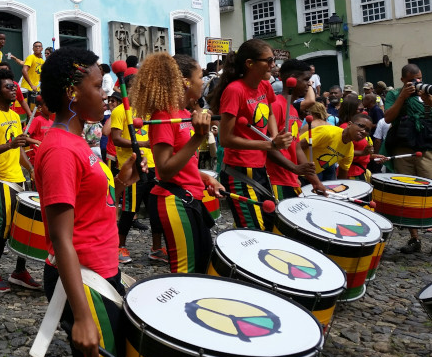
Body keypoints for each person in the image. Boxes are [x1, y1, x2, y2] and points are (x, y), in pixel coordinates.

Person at [34, 46, 143, 357]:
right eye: (97, 86)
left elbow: (89, 205)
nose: (105, 93)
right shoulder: (60, 150)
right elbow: (60, 238)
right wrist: (82, 316)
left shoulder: (79, 141)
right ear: (72, 93)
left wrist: (122, 182)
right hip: (83, 282)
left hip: (101, 272)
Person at [131, 52, 224, 273]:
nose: (203, 82)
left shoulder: (184, 113)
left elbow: (185, 163)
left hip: (189, 197)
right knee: (186, 273)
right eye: (201, 76)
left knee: (203, 267)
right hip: (174, 201)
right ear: (185, 82)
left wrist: (206, 178)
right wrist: (198, 138)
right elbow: (163, 169)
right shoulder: (164, 116)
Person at [208, 39, 292, 230]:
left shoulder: (265, 86)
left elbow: (268, 111)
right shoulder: (234, 91)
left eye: (274, 60)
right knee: (254, 230)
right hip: (239, 171)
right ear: (250, 63)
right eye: (269, 60)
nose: (273, 65)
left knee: (271, 223)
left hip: (259, 166)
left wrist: (275, 135)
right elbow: (226, 139)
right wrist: (270, 144)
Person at [381, 64, 432, 257]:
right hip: (404, 149)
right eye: (412, 80)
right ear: (402, 81)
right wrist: (402, 97)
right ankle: (414, 238)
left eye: (419, 78)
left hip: (428, 149)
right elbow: (388, 118)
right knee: (408, 196)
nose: (417, 82)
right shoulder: (394, 95)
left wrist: (431, 102)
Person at [0, 67, 40, 293]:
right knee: (2, 226)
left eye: (14, 86)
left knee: (22, 226)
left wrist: (30, 167)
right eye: (8, 87)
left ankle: (19, 271)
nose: (14, 89)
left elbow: (19, 146)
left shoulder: (14, 116)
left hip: (17, 177)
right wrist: (9, 145)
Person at [109, 72, 158, 263]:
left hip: (152, 166)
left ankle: (156, 248)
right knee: (129, 211)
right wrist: (141, 144)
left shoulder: (147, 110)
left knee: (155, 210)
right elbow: (116, 138)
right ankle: (119, 247)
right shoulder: (119, 111)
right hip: (131, 169)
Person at [264, 59, 325, 199]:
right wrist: (294, 168)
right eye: (306, 80)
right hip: (275, 180)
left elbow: (296, 148)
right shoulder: (276, 105)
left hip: (290, 180)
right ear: (291, 79)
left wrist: (315, 182)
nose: (309, 84)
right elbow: (267, 146)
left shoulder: (293, 109)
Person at [300, 114, 372, 181]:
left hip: (309, 177)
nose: (363, 131)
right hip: (294, 172)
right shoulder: (327, 132)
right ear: (349, 124)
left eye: (367, 130)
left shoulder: (349, 150)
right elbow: (296, 147)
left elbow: (342, 176)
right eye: (361, 126)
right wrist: (295, 170)